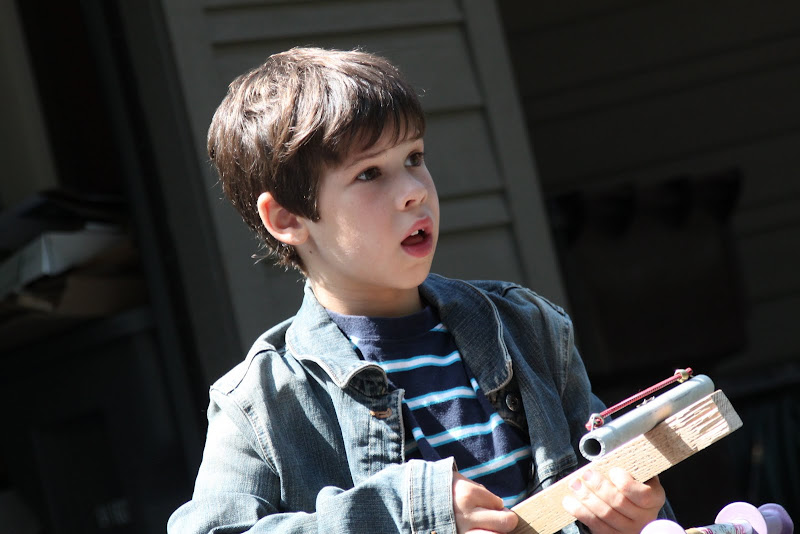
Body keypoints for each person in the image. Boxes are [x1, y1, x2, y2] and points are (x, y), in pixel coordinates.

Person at [168, 46, 671, 534]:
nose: (414, 190)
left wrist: (633, 516)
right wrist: (408, 513)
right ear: (287, 218)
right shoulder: (261, 401)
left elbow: (623, 484)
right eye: (369, 173)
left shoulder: (526, 329)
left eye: (413, 157)